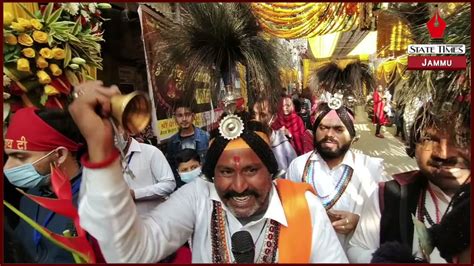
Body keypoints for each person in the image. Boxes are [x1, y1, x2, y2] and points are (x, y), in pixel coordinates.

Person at [68, 80, 348, 263]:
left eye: (251, 169)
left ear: (272, 172)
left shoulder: (303, 206)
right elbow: (129, 253)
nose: (239, 186)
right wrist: (101, 149)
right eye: (225, 171)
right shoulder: (199, 197)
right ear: (212, 176)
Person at [347, 103, 471, 263]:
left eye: (461, 139)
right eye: (430, 139)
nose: (444, 153)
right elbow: (357, 248)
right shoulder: (387, 195)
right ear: (414, 144)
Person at [286, 62, 387, 251]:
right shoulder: (298, 166)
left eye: (339, 129)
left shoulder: (371, 168)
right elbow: (289, 214)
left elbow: (388, 220)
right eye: (323, 128)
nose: (329, 134)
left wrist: (360, 222)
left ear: (351, 134)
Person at [3, 107, 101, 263]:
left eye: (20, 157)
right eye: (8, 156)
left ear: (59, 155)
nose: (7, 168)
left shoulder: (100, 200)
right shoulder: (28, 198)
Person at [116, 126, 176, 215]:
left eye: (117, 129)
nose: (115, 136)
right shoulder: (106, 162)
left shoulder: (151, 152)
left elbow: (169, 184)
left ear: (128, 130)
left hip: (155, 222)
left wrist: (135, 194)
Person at [252, 98, 297, 171]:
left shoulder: (284, 146)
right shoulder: (248, 143)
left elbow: (294, 174)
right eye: (255, 114)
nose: (257, 119)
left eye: (263, 115)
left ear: (274, 117)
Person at [166, 102, 209, 169]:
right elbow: (172, 167)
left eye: (187, 114)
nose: (184, 119)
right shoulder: (172, 142)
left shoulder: (205, 137)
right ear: (175, 118)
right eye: (180, 115)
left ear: (193, 116)